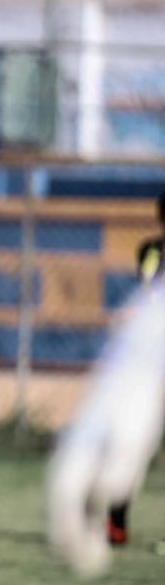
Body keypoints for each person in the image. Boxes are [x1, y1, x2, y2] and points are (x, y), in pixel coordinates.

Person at [107, 188, 165, 547]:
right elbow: (148, 293)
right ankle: (116, 524)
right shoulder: (152, 252)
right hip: (151, 365)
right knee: (131, 444)